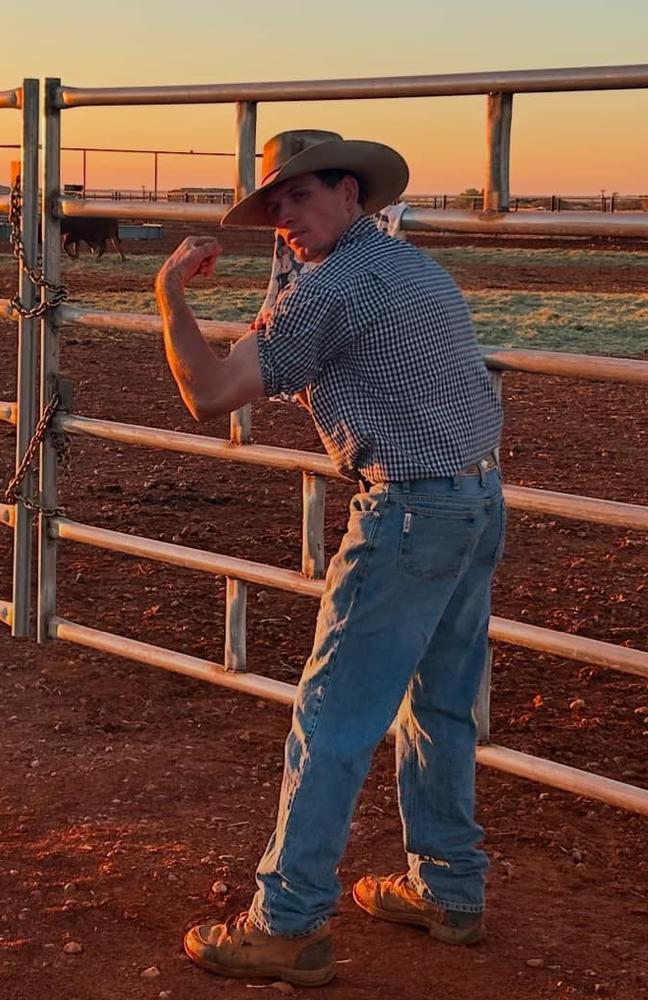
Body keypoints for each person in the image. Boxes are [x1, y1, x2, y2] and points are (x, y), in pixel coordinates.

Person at [155, 129, 505, 988]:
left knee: (333, 719)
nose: (284, 219)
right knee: (442, 703)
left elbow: (208, 394)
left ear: (350, 192)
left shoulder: (334, 286)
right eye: (275, 206)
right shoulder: (404, 263)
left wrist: (168, 295)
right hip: (474, 498)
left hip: (411, 510)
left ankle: (288, 920)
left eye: (300, 197)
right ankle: (450, 887)